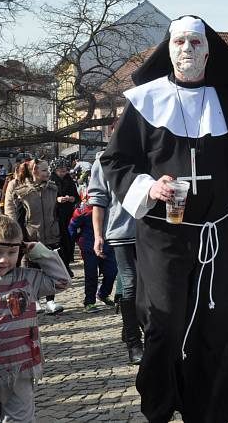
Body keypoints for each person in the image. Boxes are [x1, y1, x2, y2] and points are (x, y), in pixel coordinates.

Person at [99, 15, 228, 423]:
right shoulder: (145, 100)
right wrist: (149, 188)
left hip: (217, 234)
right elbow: (116, 161)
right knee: (165, 323)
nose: (187, 49)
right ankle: (158, 407)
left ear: (208, 50)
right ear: (168, 49)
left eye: (195, 42)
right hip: (162, 234)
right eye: (179, 42)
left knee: (214, 325)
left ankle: (208, 412)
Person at [0, 215, 69, 422]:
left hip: (20, 372)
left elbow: (62, 281)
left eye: (12, 252)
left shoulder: (27, 279)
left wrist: (38, 251)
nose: (4, 260)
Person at [88, 151, 143, 364]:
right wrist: (98, 235)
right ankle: (134, 343)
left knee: (151, 285)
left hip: (153, 232)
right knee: (130, 283)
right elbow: (98, 201)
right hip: (122, 230)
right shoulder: (105, 159)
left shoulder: (150, 148)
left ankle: (131, 322)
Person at [5, 159, 65, 315]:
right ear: (34, 171)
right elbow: (16, 215)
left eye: (47, 170)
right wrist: (20, 236)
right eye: (44, 170)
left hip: (51, 233)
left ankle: (51, 301)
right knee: (33, 268)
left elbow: (56, 212)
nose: (48, 173)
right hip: (32, 234)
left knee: (50, 267)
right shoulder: (21, 191)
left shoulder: (52, 188)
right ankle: (35, 299)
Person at [68, 195, 117, 312]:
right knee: (91, 275)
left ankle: (103, 294)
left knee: (112, 272)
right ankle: (89, 302)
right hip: (89, 247)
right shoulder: (83, 210)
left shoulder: (111, 208)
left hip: (108, 246)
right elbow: (72, 226)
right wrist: (78, 240)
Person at [50, 157, 81, 276]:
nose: (63, 172)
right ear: (55, 170)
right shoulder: (51, 180)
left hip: (68, 214)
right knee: (59, 242)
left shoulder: (69, 180)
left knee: (69, 241)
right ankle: (60, 267)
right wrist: (57, 199)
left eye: (64, 170)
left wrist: (72, 198)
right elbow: (47, 198)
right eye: (60, 170)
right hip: (56, 214)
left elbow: (76, 197)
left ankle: (67, 265)